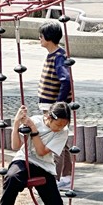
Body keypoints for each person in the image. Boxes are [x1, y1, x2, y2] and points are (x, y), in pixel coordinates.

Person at [37, 20, 74, 190]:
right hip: (50, 105)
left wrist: (58, 104)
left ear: (49, 38)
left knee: (56, 141)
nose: (39, 38)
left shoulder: (58, 57)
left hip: (53, 107)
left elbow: (65, 80)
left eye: (41, 36)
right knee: (62, 141)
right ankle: (66, 176)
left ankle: (59, 177)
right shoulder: (54, 55)